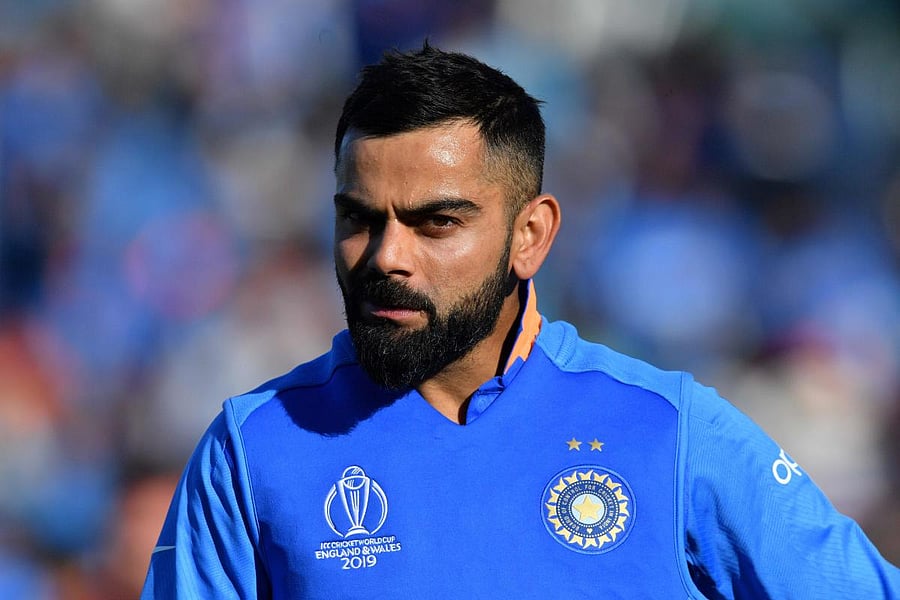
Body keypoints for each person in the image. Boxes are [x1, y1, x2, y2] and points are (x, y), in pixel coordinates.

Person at [141, 43, 900, 599]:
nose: (386, 257)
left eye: (436, 223)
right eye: (360, 218)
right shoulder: (250, 450)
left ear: (530, 235)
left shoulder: (672, 432)